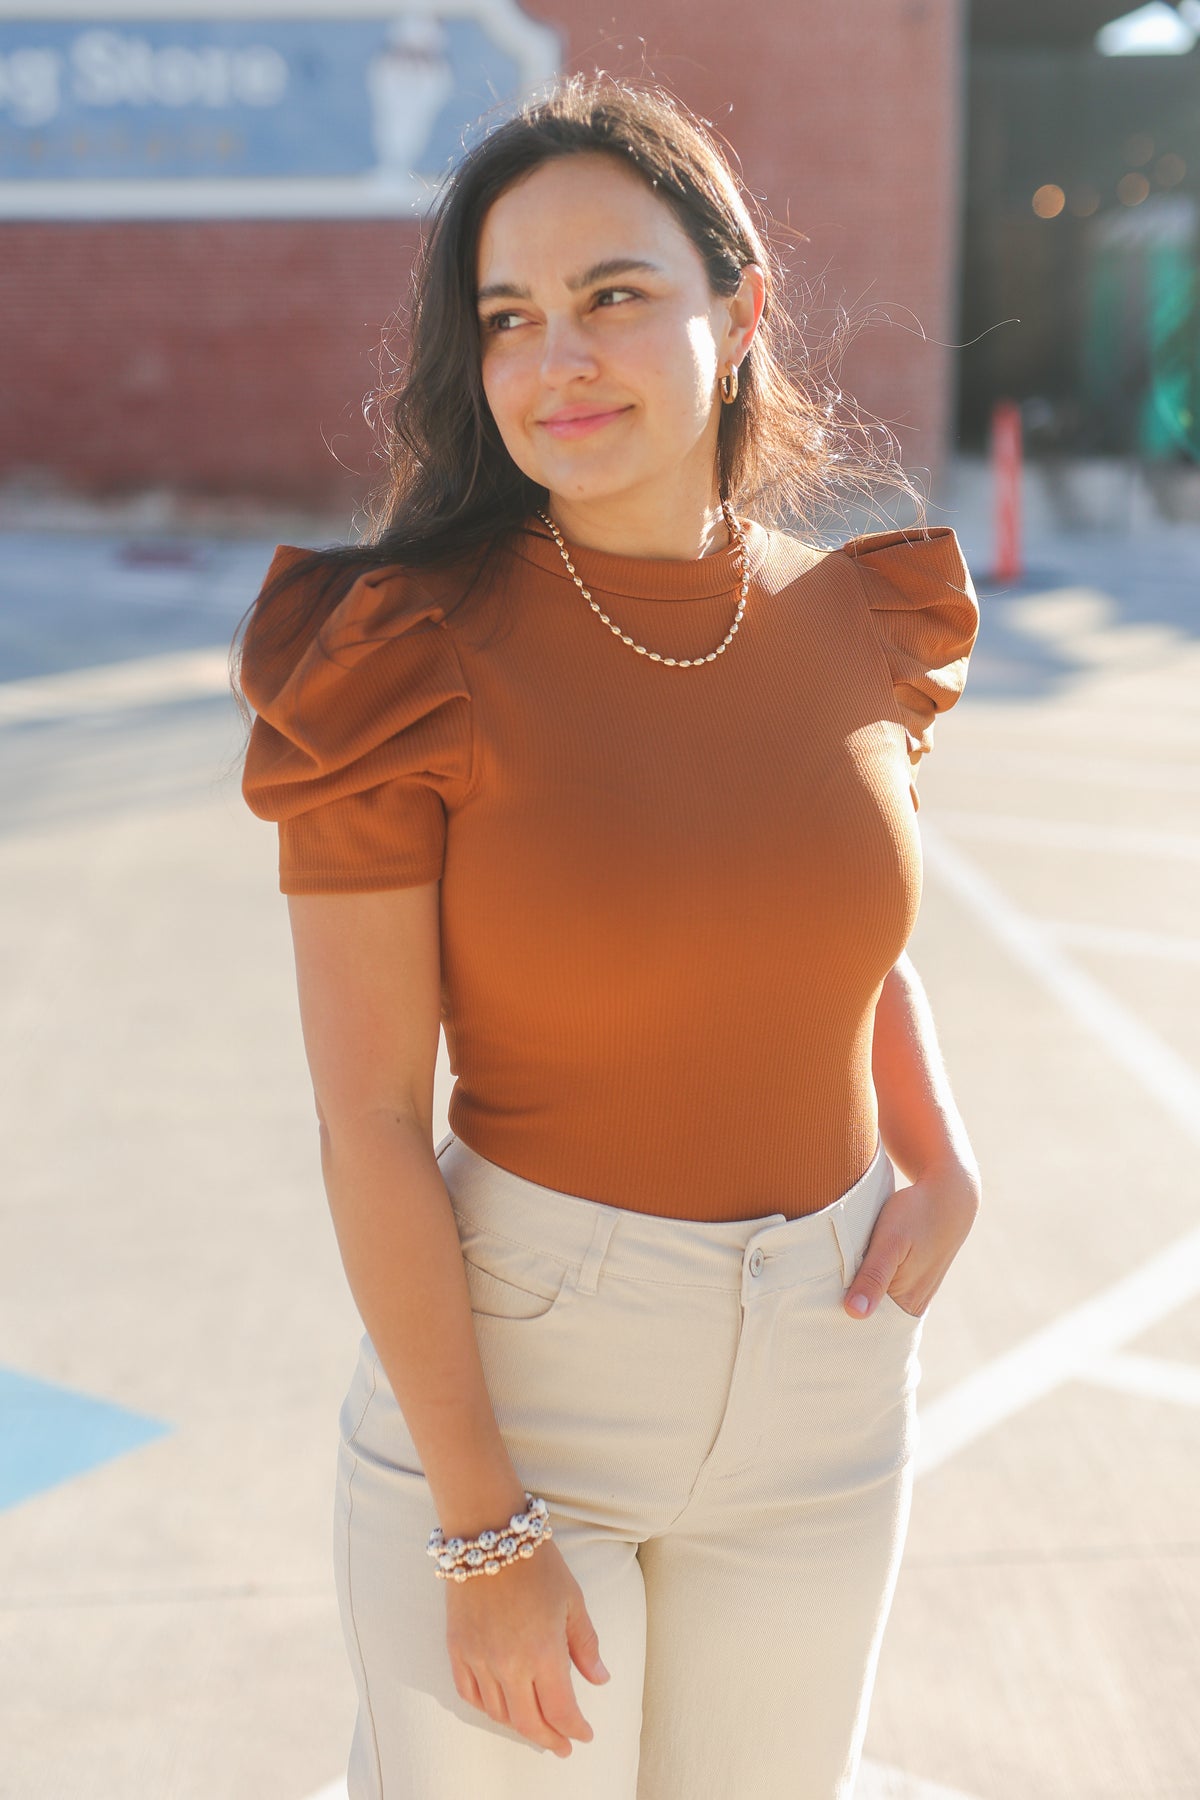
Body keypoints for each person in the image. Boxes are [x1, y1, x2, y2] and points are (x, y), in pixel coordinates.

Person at [232, 70, 983, 1800]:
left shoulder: (853, 615)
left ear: (743, 316)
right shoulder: (398, 661)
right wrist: (480, 1526)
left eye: (615, 298)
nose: (554, 358)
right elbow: (364, 1121)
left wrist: (943, 1159)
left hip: (827, 1384)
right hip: (526, 1384)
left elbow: (836, 941)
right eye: (510, 318)